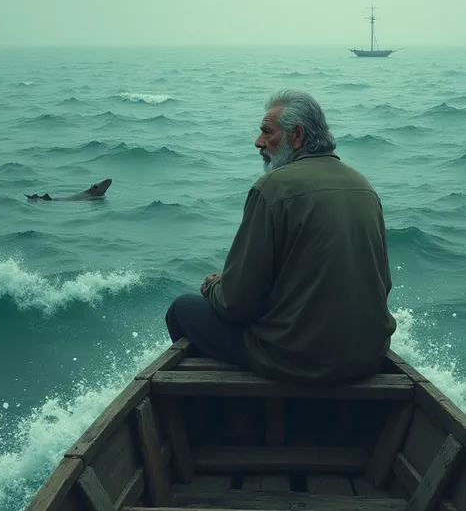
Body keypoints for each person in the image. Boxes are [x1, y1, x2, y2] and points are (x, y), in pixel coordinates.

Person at [165, 89, 396, 384]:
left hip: (295, 360)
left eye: (266, 132)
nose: (258, 142)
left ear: (296, 135)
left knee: (183, 309)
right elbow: (383, 285)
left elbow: (236, 304)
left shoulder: (273, 187)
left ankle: (227, 417)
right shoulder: (364, 186)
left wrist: (214, 287)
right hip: (369, 354)